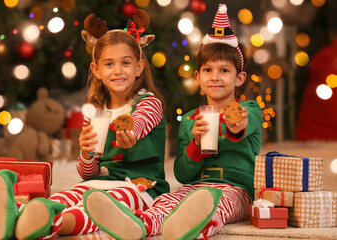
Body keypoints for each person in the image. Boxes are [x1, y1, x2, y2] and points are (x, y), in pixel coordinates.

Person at [0, 9, 169, 240]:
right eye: (109, 64)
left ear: (139, 67)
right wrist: (86, 153)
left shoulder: (148, 102)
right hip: (101, 181)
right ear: (97, 70)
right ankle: (16, 217)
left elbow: (140, 122)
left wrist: (130, 131)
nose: (118, 70)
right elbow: (87, 173)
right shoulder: (94, 112)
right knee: (69, 195)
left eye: (126, 63)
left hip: (141, 188)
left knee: (99, 209)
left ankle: (54, 225)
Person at [85, 4, 262, 240]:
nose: (215, 77)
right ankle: (140, 225)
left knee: (215, 206)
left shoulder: (249, 109)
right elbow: (182, 174)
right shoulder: (191, 120)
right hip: (195, 186)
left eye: (224, 71)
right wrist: (196, 145)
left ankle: (189, 231)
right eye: (208, 70)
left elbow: (241, 125)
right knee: (166, 200)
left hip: (236, 190)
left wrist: (234, 122)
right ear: (198, 78)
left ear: (239, 78)